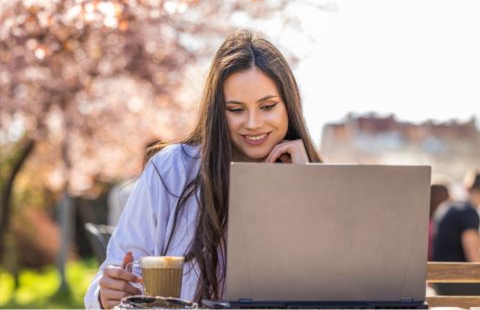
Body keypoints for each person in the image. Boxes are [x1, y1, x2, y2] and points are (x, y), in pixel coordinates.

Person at [84, 29, 323, 310]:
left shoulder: (315, 177)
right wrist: (104, 296)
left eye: (267, 106)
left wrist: (307, 186)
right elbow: (113, 276)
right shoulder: (172, 169)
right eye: (236, 110)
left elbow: (334, 287)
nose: (254, 123)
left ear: (289, 106)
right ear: (217, 112)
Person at [432, 168, 480, 295]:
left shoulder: (449, 207)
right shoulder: (469, 213)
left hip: (440, 280)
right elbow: (476, 263)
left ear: (466, 187)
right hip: (455, 281)